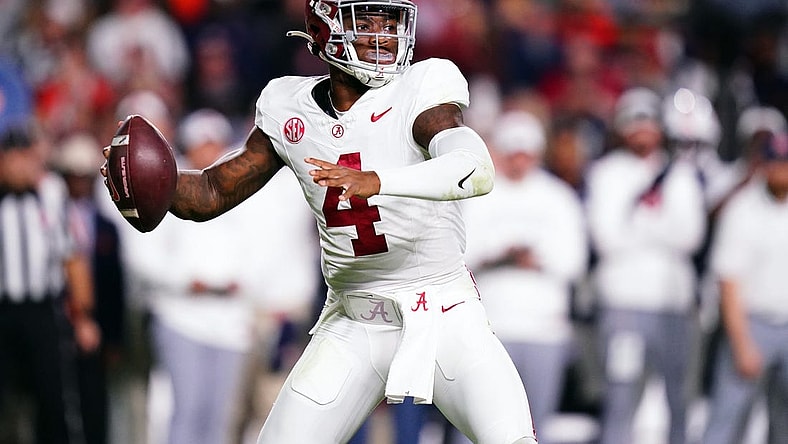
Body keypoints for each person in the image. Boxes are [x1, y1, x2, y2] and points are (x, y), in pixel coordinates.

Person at [101, 1, 536, 443]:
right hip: (354, 321)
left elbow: (474, 168)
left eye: (389, 20)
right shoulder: (288, 106)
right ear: (322, 28)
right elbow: (212, 191)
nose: (383, 34)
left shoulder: (423, 87)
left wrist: (378, 181)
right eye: (365, 20)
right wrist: (148, 181)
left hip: (444, 313)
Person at [584, 87, 706, 444]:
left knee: (679, 398)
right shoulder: (605, 173)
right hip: (623, 303)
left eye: (648, 122)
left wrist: (638, 225)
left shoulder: (681, 174)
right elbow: (606, 238)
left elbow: (691, 236)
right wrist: (661, 228)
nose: (642, 130)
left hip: (673, 304)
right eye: (633, 123)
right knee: (621, 396)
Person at [462, 110, 588, 444]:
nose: (519, 161)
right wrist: (502, 255)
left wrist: (535, 259)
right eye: (512, 153)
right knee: (478, 425)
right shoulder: (479, 195)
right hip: (490, 327)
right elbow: (462, 253)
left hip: (544, 328)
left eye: (525, 153)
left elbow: (574, 261)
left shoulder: (558, 197)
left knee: (534, 426)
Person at [0, 120, 100, 444]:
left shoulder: (51, 192)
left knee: (53, 398)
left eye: (29, 156)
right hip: (3, 310)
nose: (24, 165)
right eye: (17, 157)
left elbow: (72, 257)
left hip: (43, 310)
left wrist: (83, 316)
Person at [701, 132, 788, 444]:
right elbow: (729, 282)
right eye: (776, 161)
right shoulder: (743, 209)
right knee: (727, 421)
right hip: (752, 324)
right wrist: (741, 342)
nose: (781, 170)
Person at [52, 132, 127, 444]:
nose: (80, 183)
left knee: (96, 406)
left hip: (98, 330)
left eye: (85, 176)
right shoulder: (49, 220)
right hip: (58, 326)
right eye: (74, 176)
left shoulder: (106, 226)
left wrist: (114, 338)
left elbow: (115, 285)